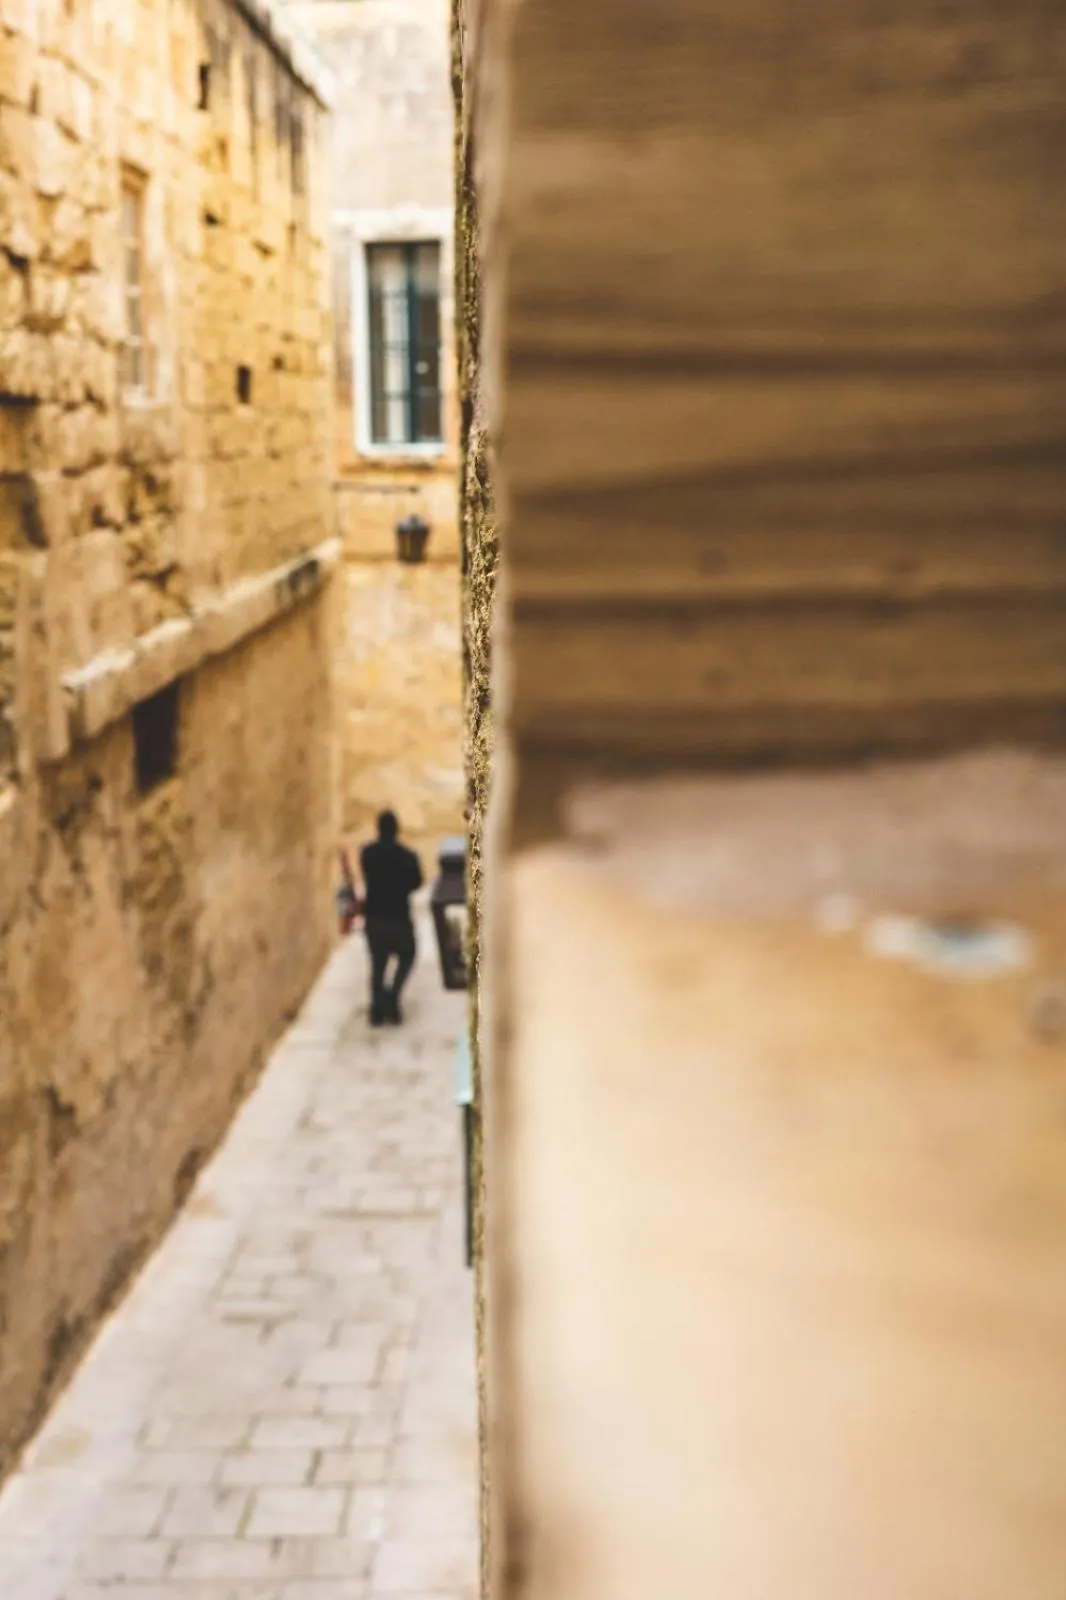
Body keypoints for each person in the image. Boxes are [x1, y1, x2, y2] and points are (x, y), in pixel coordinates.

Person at [359, 810, 423, 1026]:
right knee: (408, 955)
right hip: (398, 916)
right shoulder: (407, 856)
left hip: (375, 916)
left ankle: (377, 1007)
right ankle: (393, 995)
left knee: (378, 962)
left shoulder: (368, 853)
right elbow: (417, 882)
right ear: (396, 829)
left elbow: (366, 872)